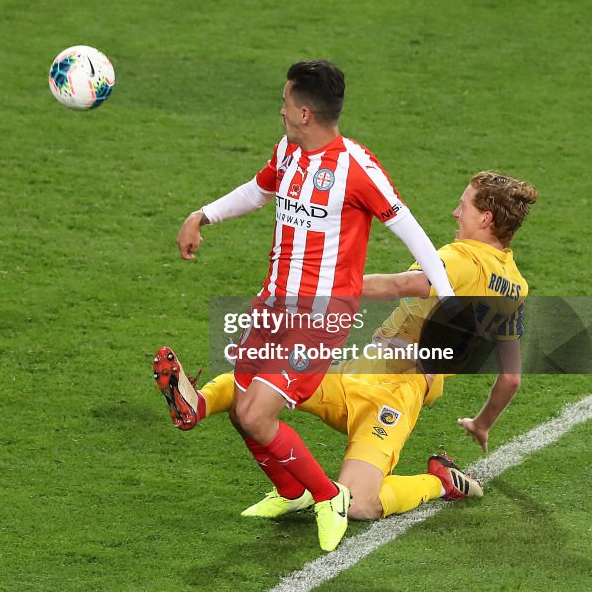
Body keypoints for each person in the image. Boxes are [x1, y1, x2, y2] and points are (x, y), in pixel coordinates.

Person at [163, 59, 457, 552]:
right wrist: (202, 215)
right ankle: (291, 492)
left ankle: (327, 497)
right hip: (273, 304)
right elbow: (258, 192)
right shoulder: (289, 150)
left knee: (258, 416)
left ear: (304, 113)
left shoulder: (355, 167)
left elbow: (411, 230)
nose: (279, 111)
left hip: (320, 319)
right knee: (241, 409)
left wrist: (449, 299)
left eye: (284, 103)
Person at [157, 171, 537, 524]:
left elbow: (399, 285)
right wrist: (481, 424)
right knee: (262, 386)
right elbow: (511, 378)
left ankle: (441, 482)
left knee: (358, 503)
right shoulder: (516, 286)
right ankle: (197, 404)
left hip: (393, 395)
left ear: (486, 219)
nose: (456, 212)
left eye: (465, 205)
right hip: (365, 370)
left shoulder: (460, 257)